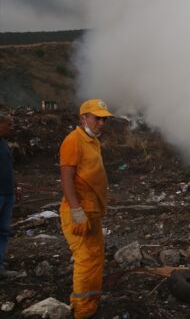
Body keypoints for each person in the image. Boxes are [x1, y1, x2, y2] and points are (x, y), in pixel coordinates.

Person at [59, 99, 113, 319]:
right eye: (97, 118)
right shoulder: (74, 140)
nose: (101, 122)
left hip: (91, 211)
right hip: (79, 211)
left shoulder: (92, 141)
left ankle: (90, 303)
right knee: (85, 258)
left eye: (104, 119)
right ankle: (82, 310)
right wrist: (76, 211)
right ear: (84, 118)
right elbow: (66, 177)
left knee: (95, 257)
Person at [0, 110, 17, 278]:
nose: (10, 128)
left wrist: (15, 187)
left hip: (7, 193)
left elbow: (8, 168)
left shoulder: (3, 143)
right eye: (8, 124)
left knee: (4, 230)